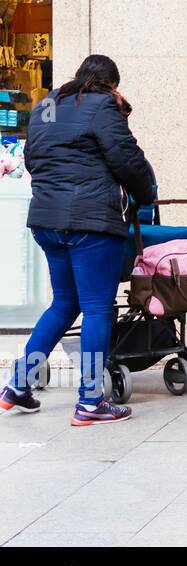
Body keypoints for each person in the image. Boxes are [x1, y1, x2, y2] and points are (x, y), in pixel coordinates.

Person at [1, 55, 154, 425]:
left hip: (47, 221)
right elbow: (127, 161)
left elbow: (34, 160)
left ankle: (19, 383)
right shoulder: (103, 105)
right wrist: (145, 192)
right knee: (98, 307)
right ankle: (89, 400)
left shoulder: (46, 106)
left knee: (64, 304)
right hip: (90, 224)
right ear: (110, 84)